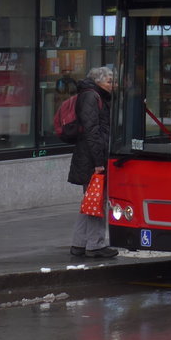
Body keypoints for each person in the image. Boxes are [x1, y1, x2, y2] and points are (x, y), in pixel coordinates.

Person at [68, 65, 118, 258]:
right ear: (98, 81)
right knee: (98, 200)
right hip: (92, 158)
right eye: (109, 81)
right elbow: (92, 132)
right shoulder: (92, 97)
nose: (112, 85)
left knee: (90, 200)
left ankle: (79, 243)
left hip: (88, 156)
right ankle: (96, 244)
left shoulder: (94, 95)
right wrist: (99, 161)